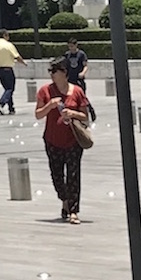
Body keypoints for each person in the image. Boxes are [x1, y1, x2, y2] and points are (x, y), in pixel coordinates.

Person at [35, 54, 88, 224]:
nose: (51, 74)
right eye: (50, 71)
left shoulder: (77, 91)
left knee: (73, 175)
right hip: (52, 140)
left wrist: (72, 113)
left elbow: (85, 117)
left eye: (54, 71)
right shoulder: (45, 91)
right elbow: (38, 114)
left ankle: (73, 210)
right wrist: (49, 105)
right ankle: (64, 200)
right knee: (56, 175)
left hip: (73, 140)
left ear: (64, 72)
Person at [0, 31, 23, 115]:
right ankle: (1, 102)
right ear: (4, 35)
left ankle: (11, 108)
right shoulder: (8, 45)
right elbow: (17, 56)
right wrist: (24, 63)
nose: (9, 38)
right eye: (8, 36)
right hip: (8, 69)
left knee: (7, 89)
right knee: (10, 89)